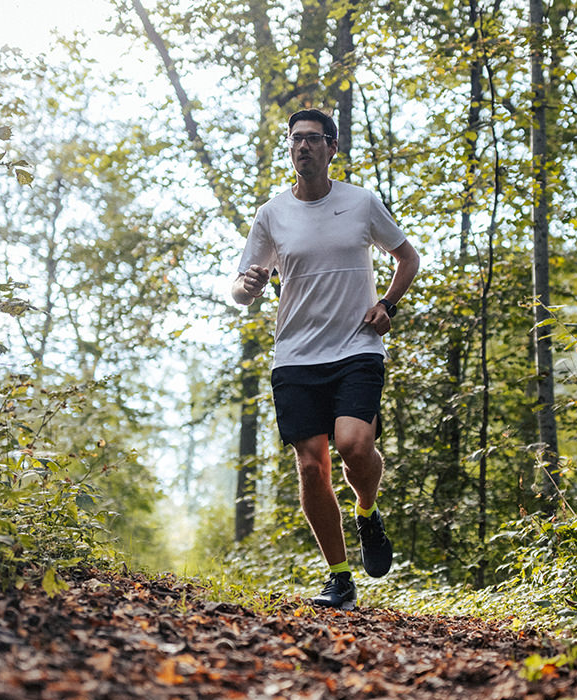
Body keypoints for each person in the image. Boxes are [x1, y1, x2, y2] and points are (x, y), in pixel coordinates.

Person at [231, 108, 420, 610]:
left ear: (332, 148)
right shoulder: (272, 213)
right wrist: (247, 285)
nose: (304, 147)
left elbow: (408, 258)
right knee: (312, 467)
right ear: (289, 148)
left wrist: (387, 304)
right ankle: (339, 577)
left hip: (357, 346)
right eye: (296, 139)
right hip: (295, 356)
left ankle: (367, 510)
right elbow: (241, 288)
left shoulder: (360, 203)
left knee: (354, 446)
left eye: (314, 139)